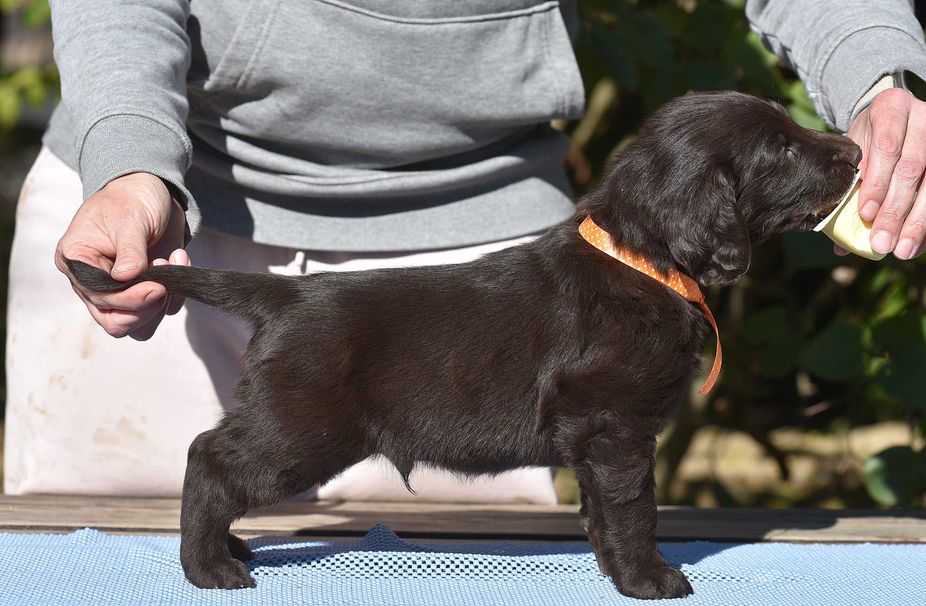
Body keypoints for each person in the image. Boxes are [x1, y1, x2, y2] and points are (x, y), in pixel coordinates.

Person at [5, 0, 926, 498]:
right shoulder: (138, 179)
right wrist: (130, 161)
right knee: (113, 595)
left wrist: (881, 72)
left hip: (494, 262)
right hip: (167, 202)